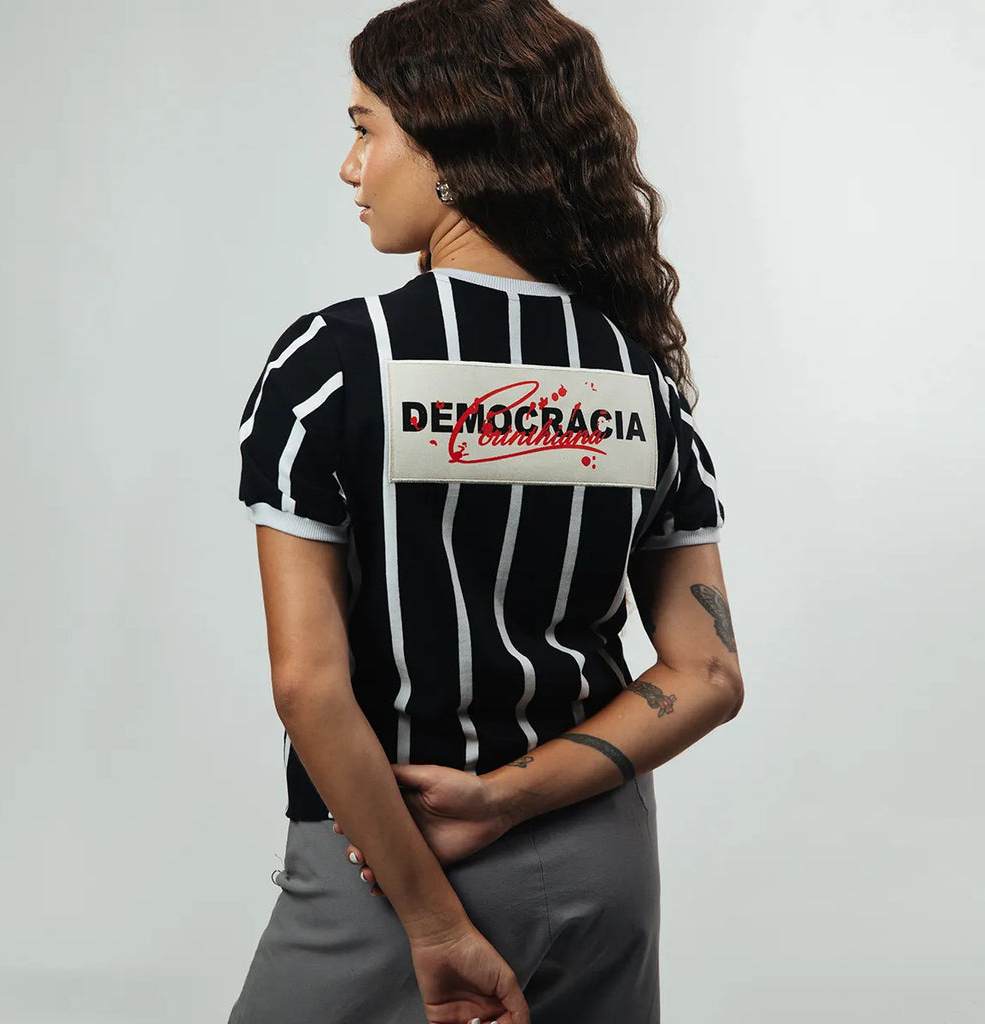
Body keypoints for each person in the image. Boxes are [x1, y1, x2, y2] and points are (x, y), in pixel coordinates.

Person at [227, 2, 745, 1022]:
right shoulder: (639, 382)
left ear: (450, 145)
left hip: (391, 866)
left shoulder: (334, 363)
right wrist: (506, 798)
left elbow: (309, 684)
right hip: (604, 868)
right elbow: (709, 674)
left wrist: (433, 923)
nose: (350, 167)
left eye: (366, 129)